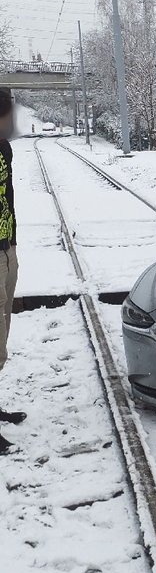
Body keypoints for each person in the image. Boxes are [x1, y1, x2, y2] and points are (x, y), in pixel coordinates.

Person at [0, 88, 25, 455]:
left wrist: (12, 243)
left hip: (5, 249)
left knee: (0, 334)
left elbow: (8, 195)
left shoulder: (4, 149)